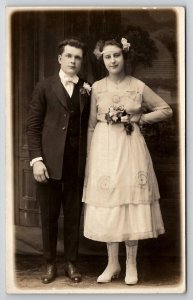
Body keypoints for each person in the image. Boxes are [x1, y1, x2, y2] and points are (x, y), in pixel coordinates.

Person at [82, 36, 173, 285]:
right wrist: (91, 157)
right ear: (102, 59)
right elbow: (91, 125)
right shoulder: (98, 87)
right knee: (111, 202)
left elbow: (166, 109)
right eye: (108, 56)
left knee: (130, 201)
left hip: (130, 147)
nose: (112, 60)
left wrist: (139, 119)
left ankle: (131, 264)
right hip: (104, 147)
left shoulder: (137, 86)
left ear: (125, 56)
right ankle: (112, 264)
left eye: (117, 55)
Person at [27, 38, 91, 284]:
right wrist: (37, 160)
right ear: (60, 59)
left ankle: (72, 263)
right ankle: (50, 263)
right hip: (48, 164)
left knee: (74, 215)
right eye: (69, 56)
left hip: (76, 164)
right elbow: (32, 127)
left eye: (77, 57)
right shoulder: (44, 87)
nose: (73, 61)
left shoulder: (87, 87)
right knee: (49, 216)